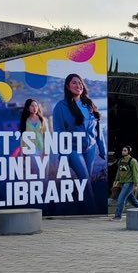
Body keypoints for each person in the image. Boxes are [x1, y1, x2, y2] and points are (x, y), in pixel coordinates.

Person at [52, 73, 106, 209]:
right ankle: (93, 210)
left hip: (90, 149)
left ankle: (79, 208)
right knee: (86, 181)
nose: (78, 85)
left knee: (85, 182)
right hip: (73, 149)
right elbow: (58, 131)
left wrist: (102, 148)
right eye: (74, 83)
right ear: (67, 86)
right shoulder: (60, 107)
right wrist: (62, 154)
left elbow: (98, 128)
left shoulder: (89, 104)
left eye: (80, 83)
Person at [111, 145, 138, 220]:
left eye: (125, 150)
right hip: (122, 183)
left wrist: (136, 184)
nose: (123, 152)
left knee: (121, 199)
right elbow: (118, 172)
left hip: (129, 183)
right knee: (133, 200)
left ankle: (118, 216)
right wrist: (116, 181)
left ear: (129, 151)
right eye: (122, 150)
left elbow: (136, 173)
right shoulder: (121, 161)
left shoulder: (133, 161)